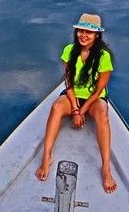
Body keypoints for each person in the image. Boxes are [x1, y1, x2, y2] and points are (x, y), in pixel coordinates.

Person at [34, 13, 117, 194]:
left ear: (97, 35)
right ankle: (46, 156)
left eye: (89, 32)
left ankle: (105, 168)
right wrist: (74, 108)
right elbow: (69, 83)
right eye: (80, 30)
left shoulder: (103, 57)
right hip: (73, 96)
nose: (83, 35)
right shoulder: (69, 51)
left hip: (93, 99)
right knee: (56, 107)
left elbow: (97, 91)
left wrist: (82, 111)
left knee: (102, 113)